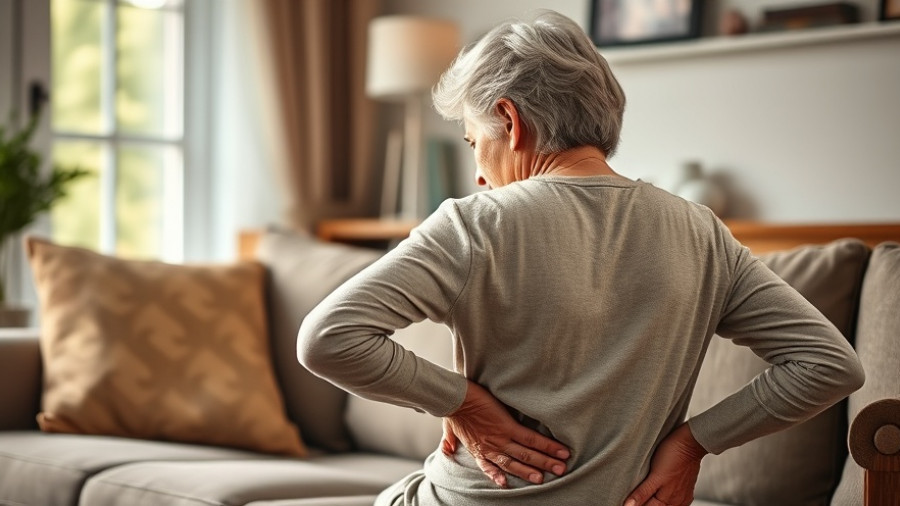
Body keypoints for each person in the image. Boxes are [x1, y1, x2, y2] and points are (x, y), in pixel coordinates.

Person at [297, 10, 864, 506]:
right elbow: (830, 365)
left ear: (510, 121)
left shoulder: (475, 223)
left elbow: (328, 338)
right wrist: (692, 444)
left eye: (474, 142)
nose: (478, 174)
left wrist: (461, 402)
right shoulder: (702, 232)